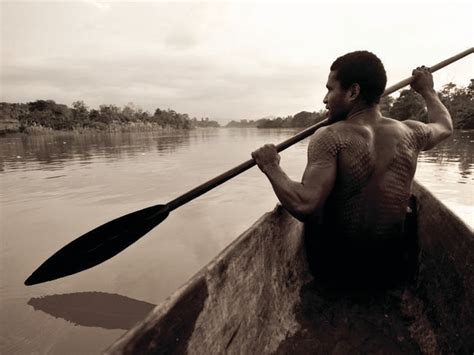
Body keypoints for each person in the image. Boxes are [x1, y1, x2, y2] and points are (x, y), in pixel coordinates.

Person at [251, 51, 453, 287]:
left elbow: (304, 204)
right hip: (390, 268)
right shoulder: (411, 132)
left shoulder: (330, 136)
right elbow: (444, 126)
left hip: (336, 271)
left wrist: (271, 166)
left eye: (330, 89)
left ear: (353, 92)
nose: (325, 100)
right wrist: (427, 90)